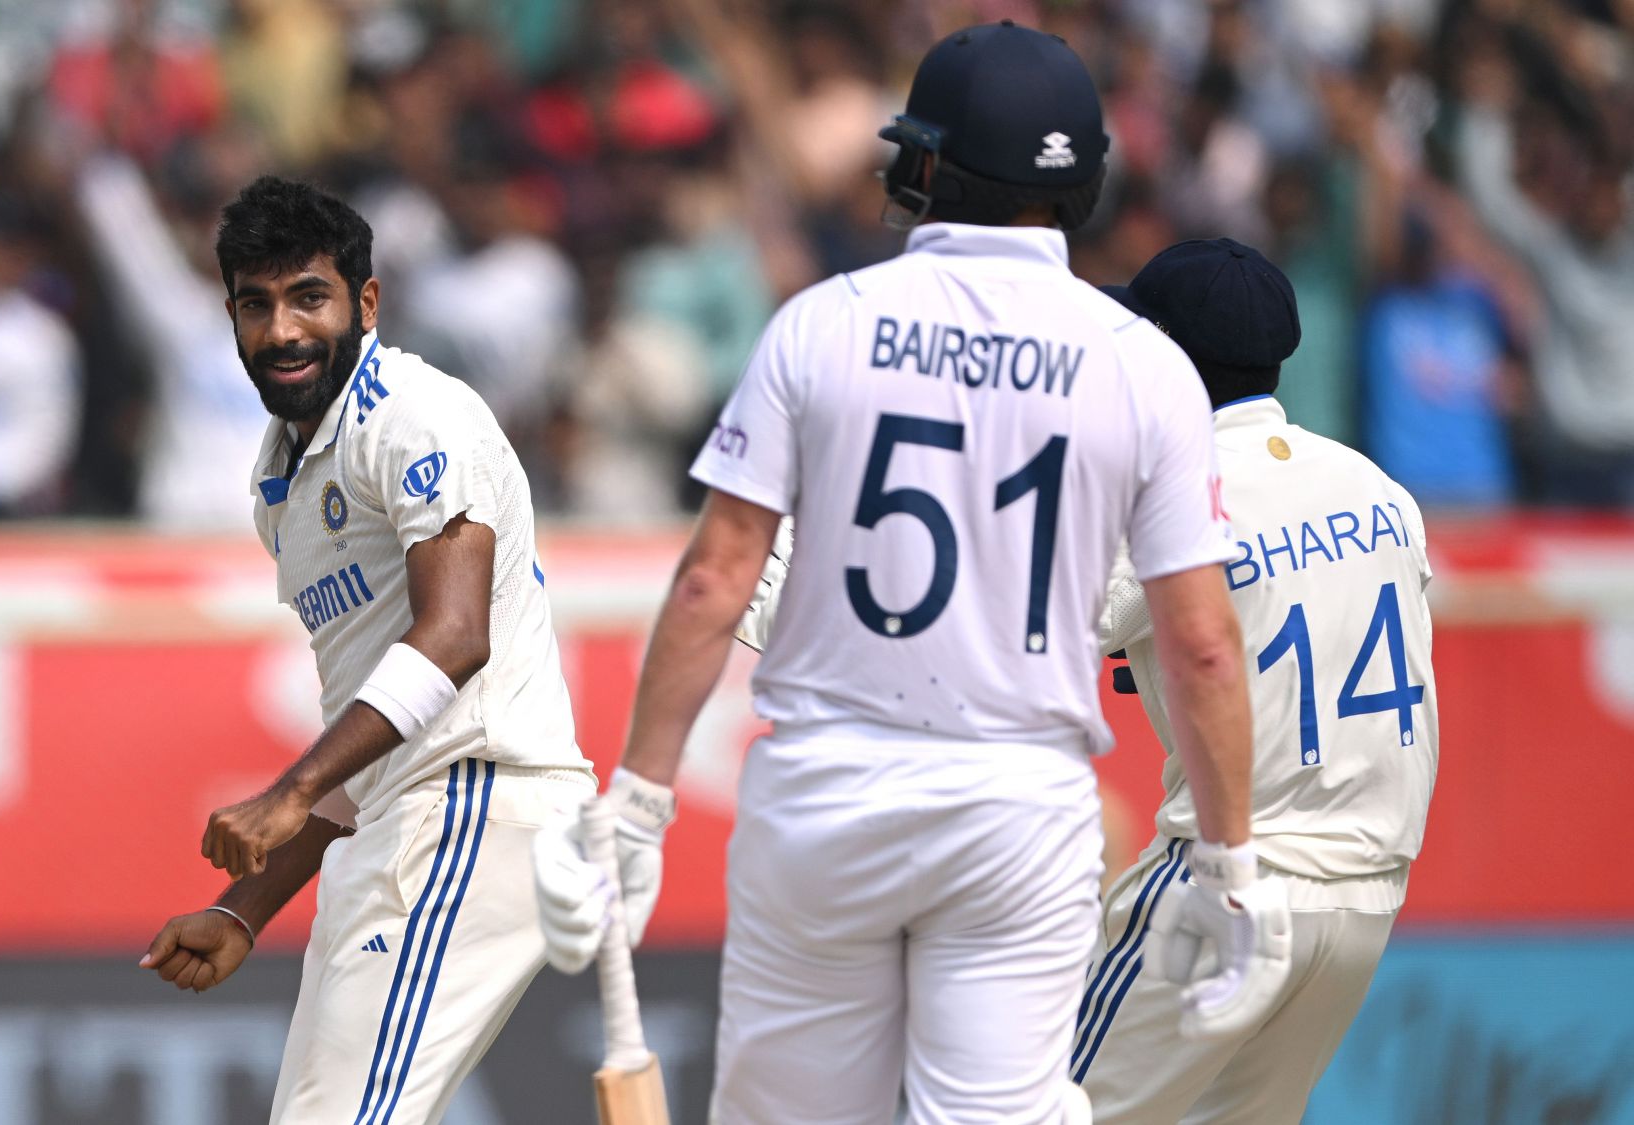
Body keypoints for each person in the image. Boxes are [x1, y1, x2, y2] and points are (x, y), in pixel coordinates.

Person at [533, 23, 1289, 1124]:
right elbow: (1204, 643)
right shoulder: (1146, 364)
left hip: (828, 793)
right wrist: (1231, 866)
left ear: (933, 166)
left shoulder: (820, 326)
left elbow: (713, 582)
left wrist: (639, 808)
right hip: (1018, 806)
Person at [136, 176, 595, 1124]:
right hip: (405, 821)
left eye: (310, 297)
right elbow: (372, 733)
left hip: (477, 803)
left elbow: (456, 637)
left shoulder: (414, 415)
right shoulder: (282, 475)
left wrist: (289, 789)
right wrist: (243, 909)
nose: (284, 331)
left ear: (366, 303)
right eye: (256, 306)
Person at [1076, 239, 1439, 1122]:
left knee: (1027, 1109)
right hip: (1366, 898)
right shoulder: (1377, 487)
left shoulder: (1170, 489)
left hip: (1230, 880)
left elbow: (1017, 636)